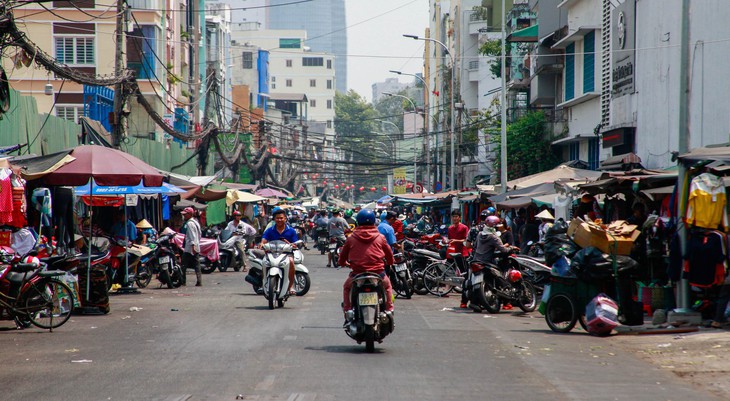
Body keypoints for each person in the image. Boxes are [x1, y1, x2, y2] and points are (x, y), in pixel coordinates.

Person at [338, 209, 395, 314]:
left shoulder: (351, 238)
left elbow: (342, 257)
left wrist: (342, 263)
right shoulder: (380, 237)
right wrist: (391, 262)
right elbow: (389, 254)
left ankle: (347, 311)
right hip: (378, 273)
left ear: (358, 222)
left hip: (357, 274)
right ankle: (389, 309)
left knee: (346, 288)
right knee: (387, 287)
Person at [466, 215, 520, 309]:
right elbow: (503, 250)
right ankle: (504, 297)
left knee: (471, 281)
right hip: (488, 262)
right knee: (501, 277)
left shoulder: (480, 235)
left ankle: (473, 301)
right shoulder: (494, 237)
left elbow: (474, 246)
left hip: (476, 260)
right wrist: (512, 248)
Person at [261, 207, 299, 295]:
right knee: (263, 263)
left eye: (281, 218)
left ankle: (290, 286)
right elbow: (264, 239)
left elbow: (295, 243)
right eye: (277, 218)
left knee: (291, 262)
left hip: (286, 254)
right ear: (274, 219)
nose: (279, 220)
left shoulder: (291, 231)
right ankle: (263, 284)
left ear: (285, 219)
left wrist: (292, 244)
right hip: (272, 254)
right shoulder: (270, 230)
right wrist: (262, 244)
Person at [180, 207, 202, 286]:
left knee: (183, 265)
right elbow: (199, 235)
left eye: (185, 214)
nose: (184, 216)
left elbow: (192, 235)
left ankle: (183, 281)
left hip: (190, 247)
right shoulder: (195, 222)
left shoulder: (189, 223)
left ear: (190, 214)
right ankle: (199, 281)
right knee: (197, 265)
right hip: (194, 245)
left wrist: (193, 246)